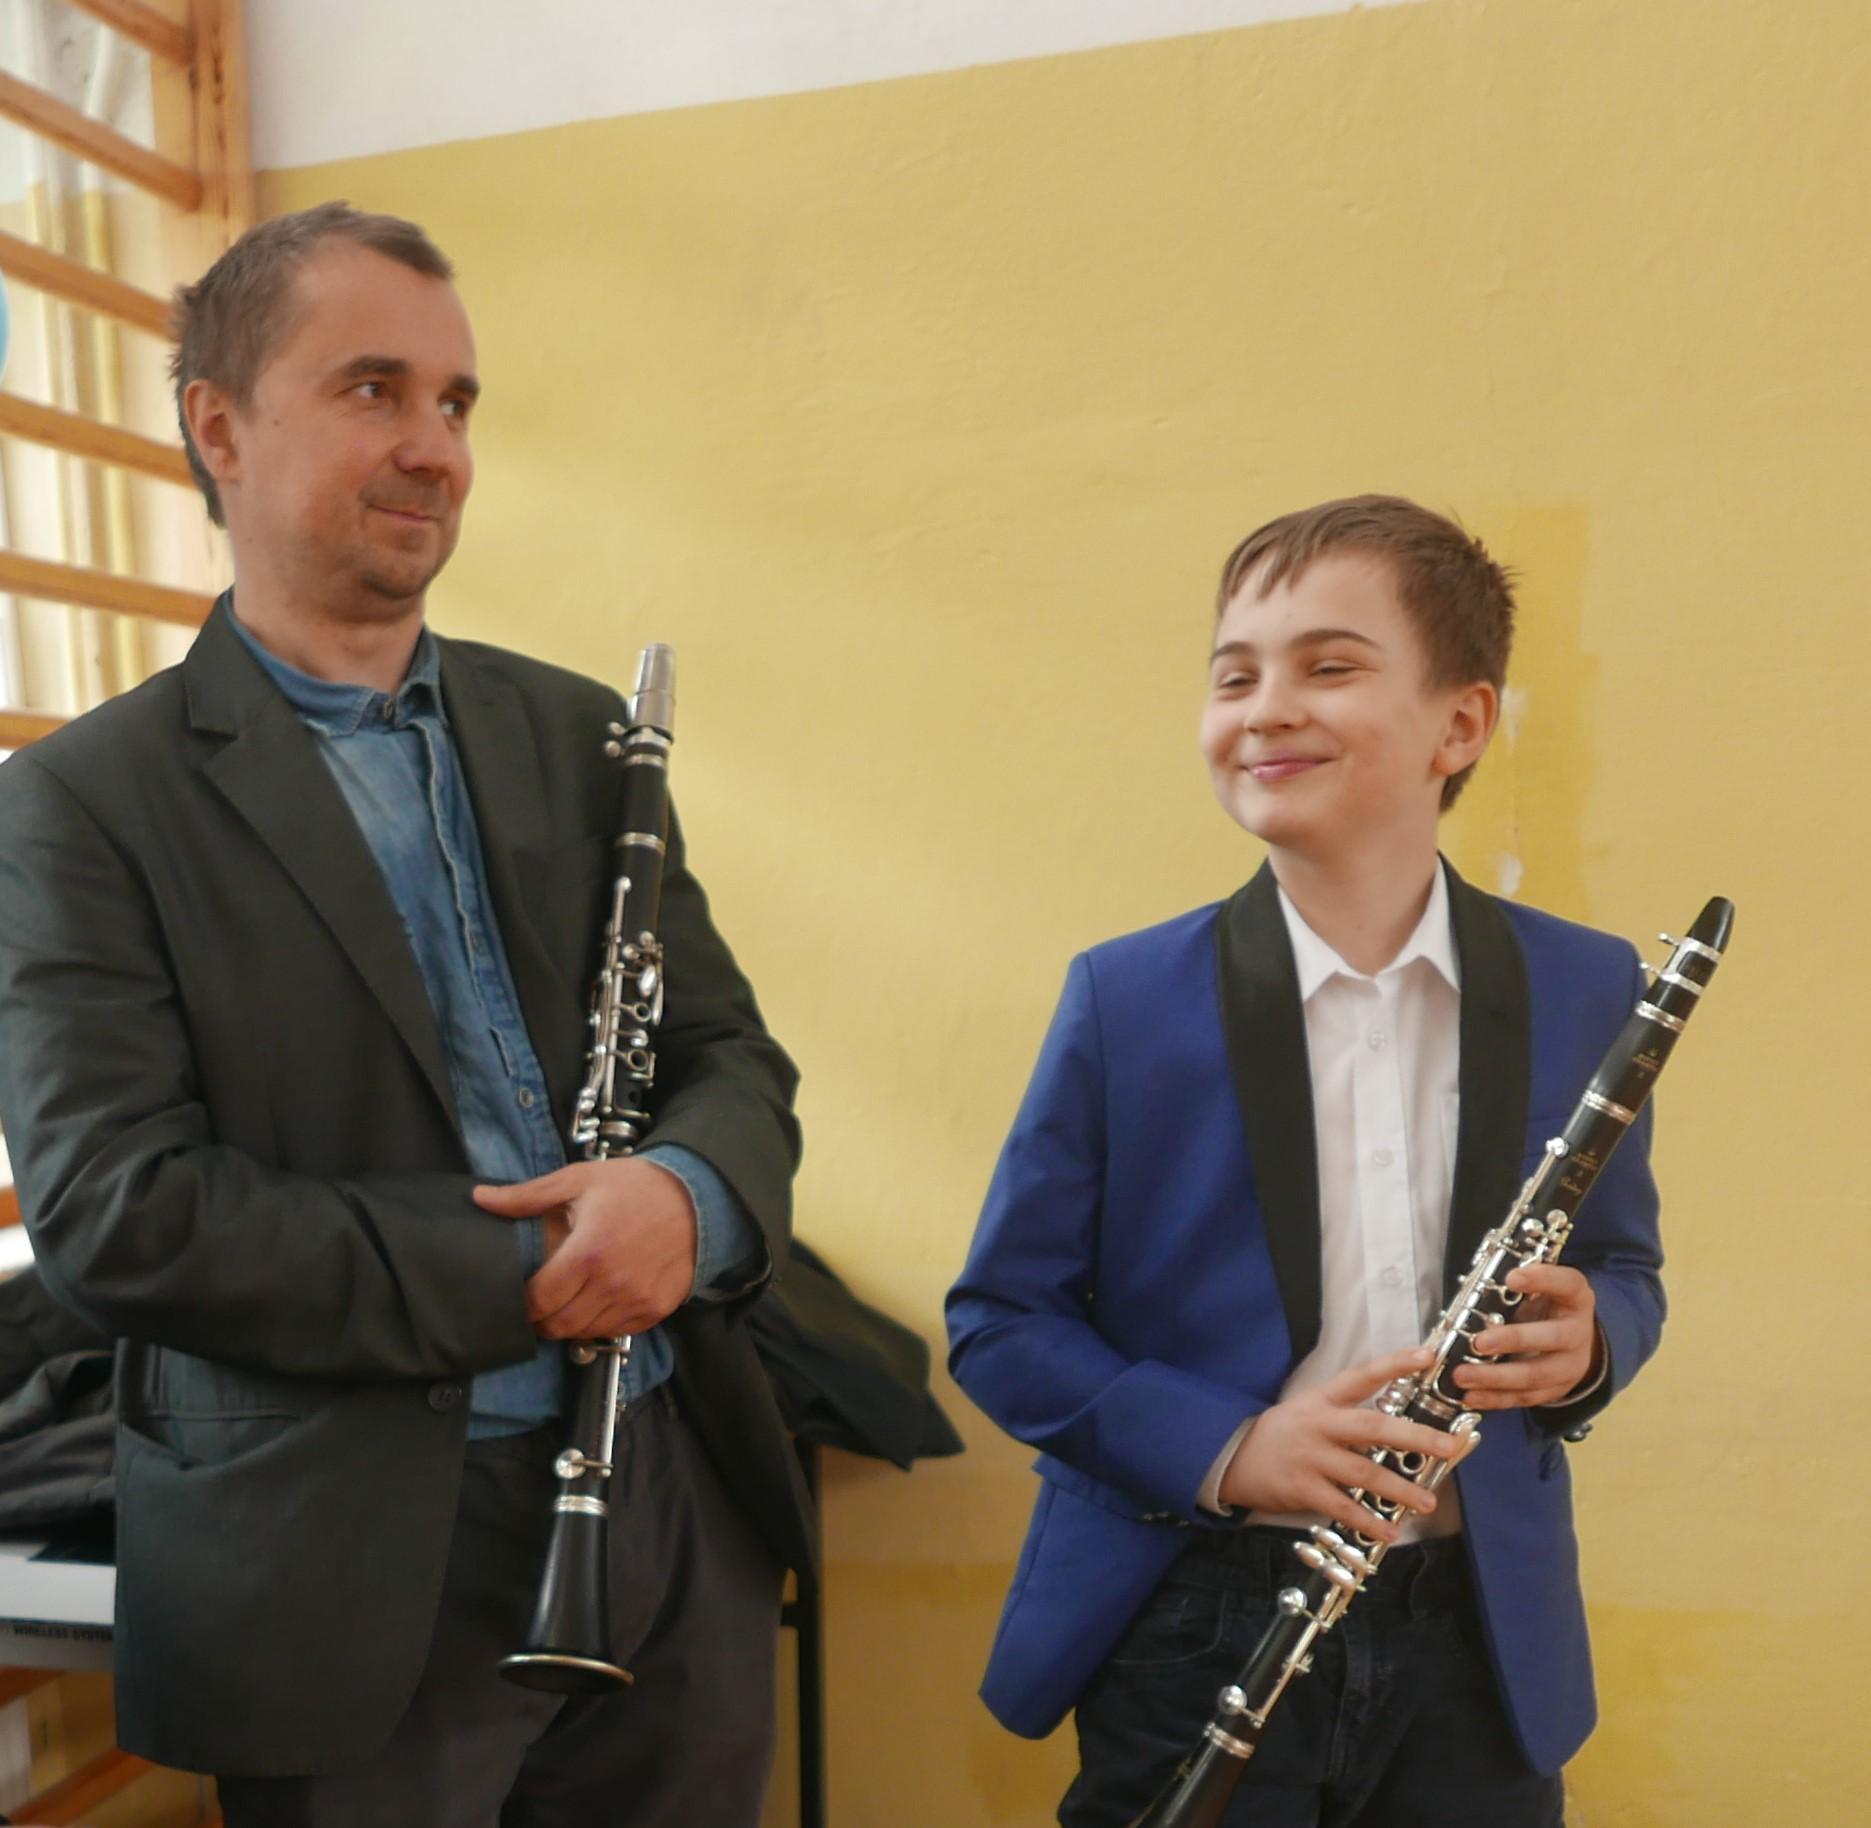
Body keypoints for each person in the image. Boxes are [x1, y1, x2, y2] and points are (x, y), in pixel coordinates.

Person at [0, 202, 811, 1828]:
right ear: (220, 426)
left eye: (455, 402)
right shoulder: (78, 805)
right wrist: (548, 1264)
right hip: (338, 1568)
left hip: (667, 1509)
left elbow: (729, 1059)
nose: (435, 447)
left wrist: (688, 1201)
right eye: (374, 389)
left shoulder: (577, 735)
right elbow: (120, 1216)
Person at [946, 495, 1665, 1827]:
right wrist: (1234, 1448)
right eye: (1235, 677)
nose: (1267, 708)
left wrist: (1593, 1340)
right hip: (1194, 1607)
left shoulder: (1585, 985)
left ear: (1462, 724)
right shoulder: (1126, 997)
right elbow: (1001, 1323)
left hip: (1477, 1631)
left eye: (1328, 667)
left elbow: (1624, 1265)